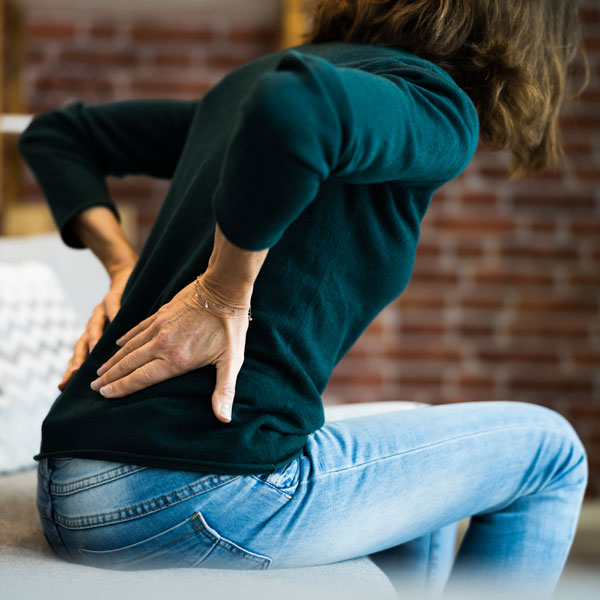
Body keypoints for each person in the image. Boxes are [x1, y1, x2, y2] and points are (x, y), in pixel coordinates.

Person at [20, 0, 588, 598]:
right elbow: (297, 109)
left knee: (423, 443)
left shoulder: (251, 80)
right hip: (185, 493)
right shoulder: (434, 103)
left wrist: (122, 267)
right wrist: (221, 291)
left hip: (70, 481)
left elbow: (59, 135)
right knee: (551, 450)